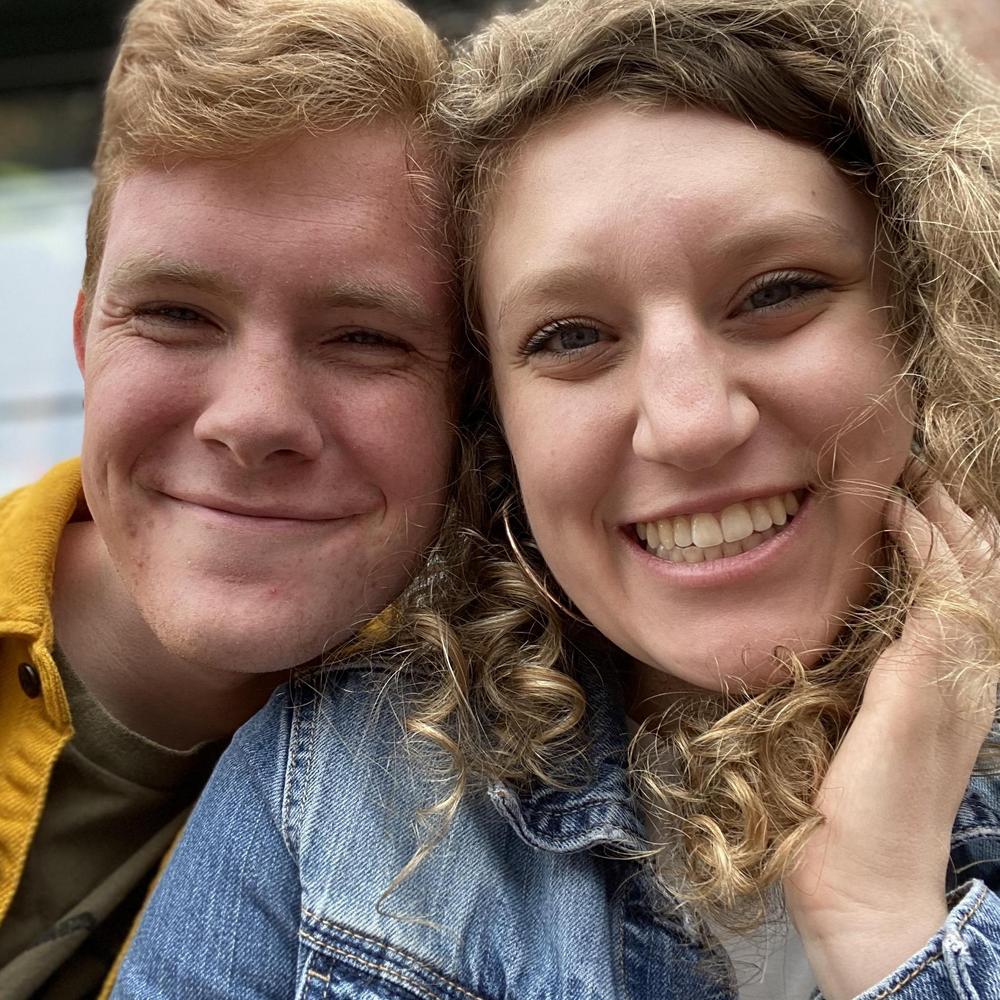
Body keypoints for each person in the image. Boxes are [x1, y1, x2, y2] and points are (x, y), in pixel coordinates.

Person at [113, 0, 1000, 997]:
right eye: (571, 337)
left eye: (775, 292)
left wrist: (880, 919)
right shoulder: (338, 793)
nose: (687, 423)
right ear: (494, 427)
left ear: (930, 311)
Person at [0, 0, 458, 996]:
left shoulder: (511, 785)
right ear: (86, 339)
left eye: (364, 337)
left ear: (468, 397)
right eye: (175, 315)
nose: (253, 419)